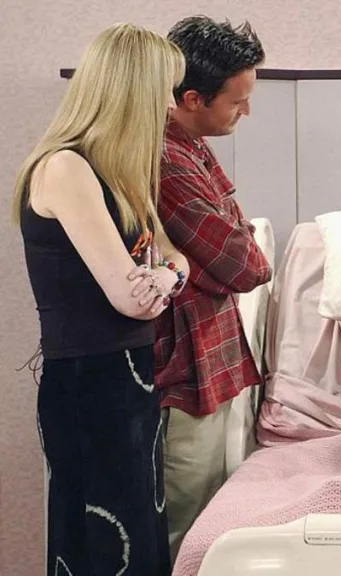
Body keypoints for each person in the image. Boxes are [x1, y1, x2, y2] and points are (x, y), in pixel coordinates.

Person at [15, 23, 188, 576]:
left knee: (139, 530)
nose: (170, 105)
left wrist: (166, 278)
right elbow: (131, 299)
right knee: (103, 546)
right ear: (130, 90)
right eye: (163, 90)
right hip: (90, 384)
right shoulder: (66, 168)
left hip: (129, 377)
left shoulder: (119, 173)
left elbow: (173, 260)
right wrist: (161, 281)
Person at [156, 15, 271, 561]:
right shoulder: (167, 162)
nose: (246, 113)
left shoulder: (194, 145)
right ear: (192, 98)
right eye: (237, 102)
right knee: (184, 527)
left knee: (206, 521)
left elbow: (243, 247)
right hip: (186, 371)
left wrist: (226, 253)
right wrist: (227, 256)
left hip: (212, 358)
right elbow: (247, 267)